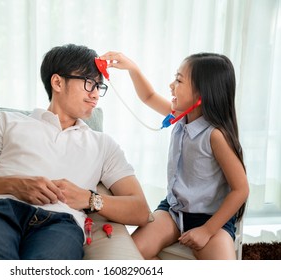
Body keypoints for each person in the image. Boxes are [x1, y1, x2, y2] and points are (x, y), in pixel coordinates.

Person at [0, 44, 150, 260]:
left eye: (99, 87)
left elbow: (141, 211)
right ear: (58, 82)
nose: (96, 94)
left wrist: (89, 199)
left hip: (59, 225)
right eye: (89, 83)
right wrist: (15, 185)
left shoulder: (104, 144)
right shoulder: (3, 121)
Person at [99, 51, 249, 260]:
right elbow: (148, 96)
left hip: (211, 219)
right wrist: (132, 68)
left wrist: (207, 231)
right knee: (129, 256)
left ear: (201, 94)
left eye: (178, 80)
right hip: (174, 212)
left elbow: (240, 189)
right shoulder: (179, 116)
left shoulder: (215, 136)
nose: (171, 85)